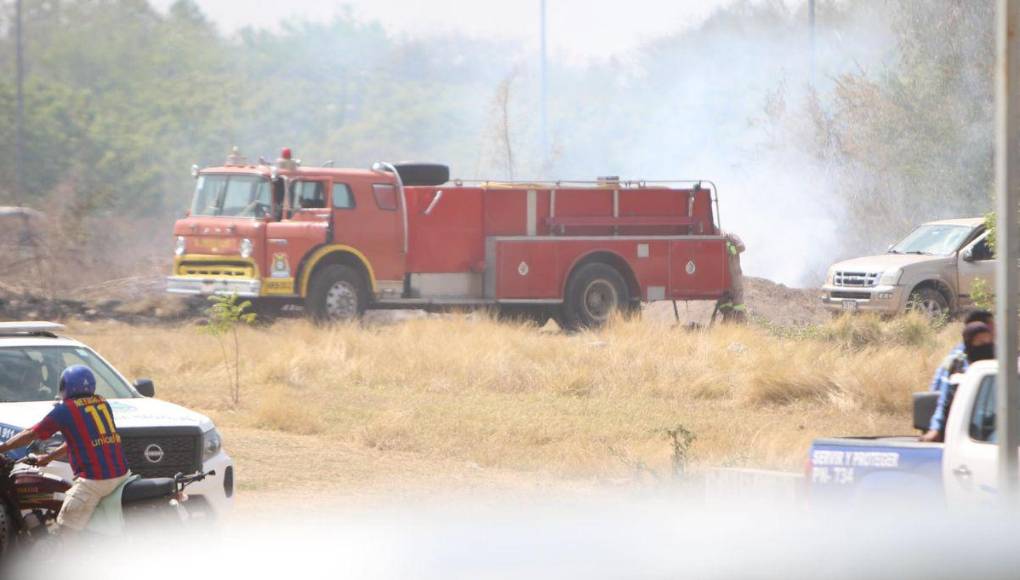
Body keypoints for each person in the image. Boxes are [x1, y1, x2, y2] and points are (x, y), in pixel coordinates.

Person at [0, 365, 129, 531]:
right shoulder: (102, 403)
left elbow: (31, 434)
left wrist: (2, 448)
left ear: (65, 386)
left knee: (64, 528)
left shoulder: (65, 410)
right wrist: (48, 457)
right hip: (121, 475)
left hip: (95, 480)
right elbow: (81, 439)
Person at [920, 321, 995, 442]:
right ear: (969, 344)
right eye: (980, 342)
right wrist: (936, 429)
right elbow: (944, 401)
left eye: (988, 342)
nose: (986, 346)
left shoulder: (998, 368)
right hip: (966, 434)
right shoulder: (957, 367)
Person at [927, 309, 994, 393]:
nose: (996, 331)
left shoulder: (996, 353)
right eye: (992, 328)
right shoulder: (957, 361)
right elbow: (937, 391)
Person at [717, 231, 747, 323]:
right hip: (724, 276)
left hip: (734, 274)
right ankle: (728, 320)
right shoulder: (717, 241)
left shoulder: (731, 236)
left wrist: (730, 249)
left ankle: (740, 320)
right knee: (724, 298)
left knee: (737, 298)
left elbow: (742, 247)